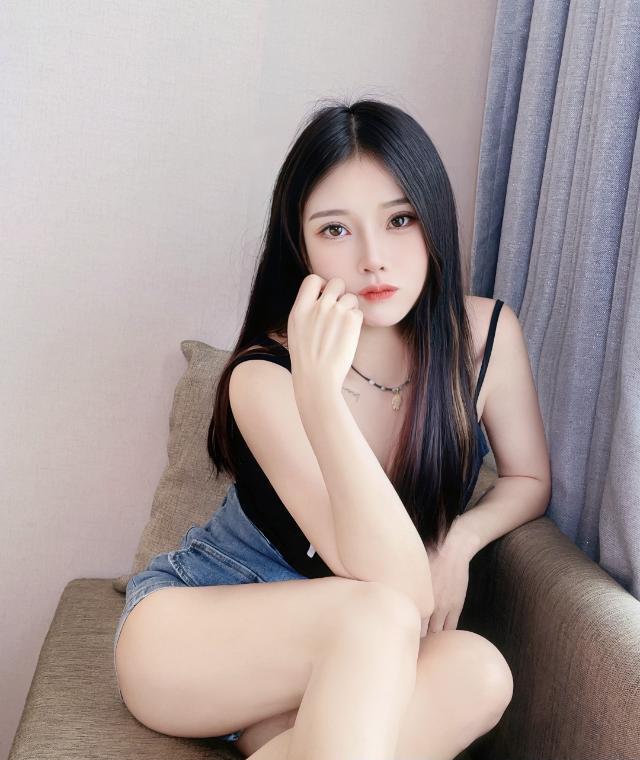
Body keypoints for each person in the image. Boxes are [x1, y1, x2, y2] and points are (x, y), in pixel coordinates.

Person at [114, 98, 549, 760]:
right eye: (336, 230)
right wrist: (318, 395)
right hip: (199, 628)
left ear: (433, 217)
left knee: (480, 672)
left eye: (399, 219)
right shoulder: (264, 375)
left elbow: (529, 477)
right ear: (301, 245)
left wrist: (459, 541)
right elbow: (400, 591)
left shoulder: (487, 336)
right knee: (380, 613)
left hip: (348, 659)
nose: (374, 259)